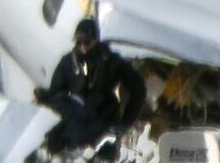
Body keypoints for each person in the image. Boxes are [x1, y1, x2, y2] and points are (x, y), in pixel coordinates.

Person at [34, 17, 146, 151]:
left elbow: (139, 88)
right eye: (79, 42)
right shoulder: (69, 62)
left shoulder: (110, 61)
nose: (83, 46)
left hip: (101, 123)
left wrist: (125, 123)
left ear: (96, 41)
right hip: (75, 122)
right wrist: (44, 97)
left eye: (87, 42)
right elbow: (55, 94)